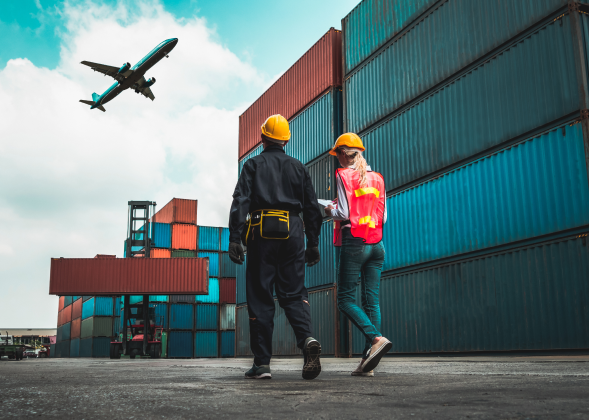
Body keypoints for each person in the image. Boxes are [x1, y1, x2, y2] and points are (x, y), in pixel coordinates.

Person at [228, 114, 324, 380]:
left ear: (263, 137)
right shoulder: (299, 167)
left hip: (262, 231)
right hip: (294, 232)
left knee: (260, 295)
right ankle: (306, 340)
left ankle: (262, 364)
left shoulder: (252, 165)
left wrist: (235, 238)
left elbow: (241, 201)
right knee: (293, 294)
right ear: (286, 141)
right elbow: (312, 209)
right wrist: (313, 243)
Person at [325, 133, 392, 377]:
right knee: (371, 301)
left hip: (355, 243)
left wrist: (328, 209)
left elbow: (343, 212)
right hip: (377, 245)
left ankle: (376, 339)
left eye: (337, 155)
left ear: (343, 153)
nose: (337, 160)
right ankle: (368, 363)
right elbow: (382, 218)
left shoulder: (343, 175)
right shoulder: (378, 178)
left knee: (344, 298)